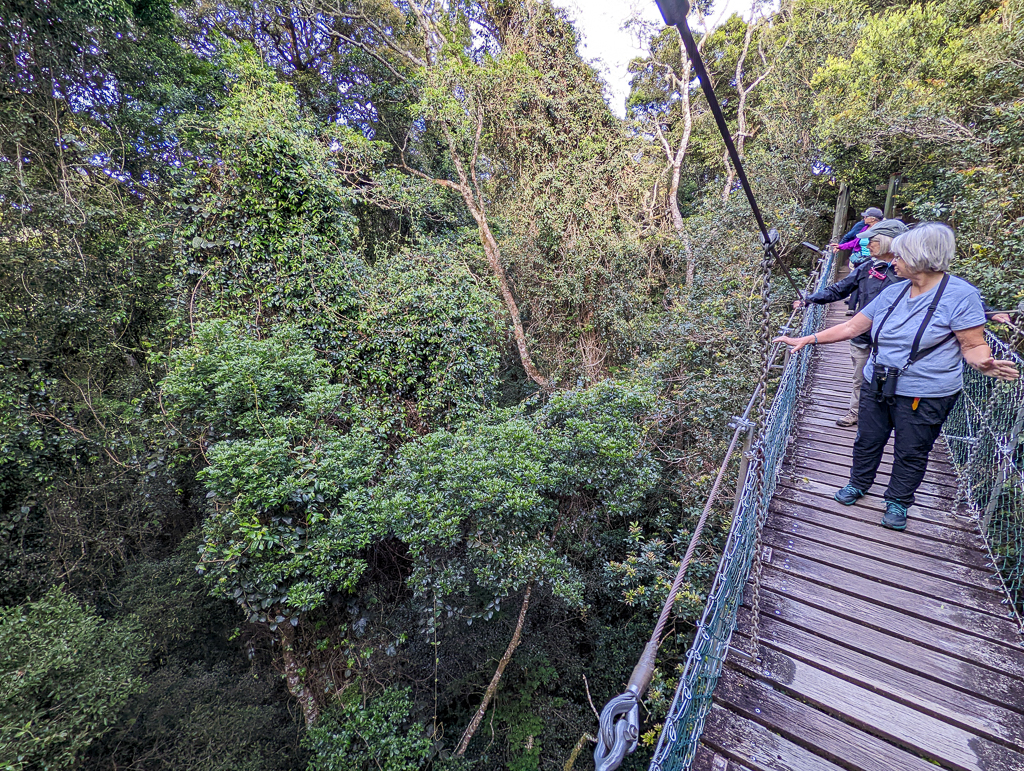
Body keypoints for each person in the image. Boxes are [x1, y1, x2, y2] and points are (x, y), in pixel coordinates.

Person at [776, 222, 1018, 532]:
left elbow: (973, 345)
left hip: (926, 390)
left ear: (919, 258)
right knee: (868, 438)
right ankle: (858, 484)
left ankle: (898, 502)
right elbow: (853, 328)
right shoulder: (894, 290)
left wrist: (984, 364)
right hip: (877, 378)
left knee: (911, 448)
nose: (893, 262)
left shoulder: (961, 296)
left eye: (899, 257)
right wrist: (807, 340)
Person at [794, 219, 908, 426]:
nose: (867, 245)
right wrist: (809, 300)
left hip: (894, 341)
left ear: (886, 242)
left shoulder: (909, 275)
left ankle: (890, 417)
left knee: (895, 380)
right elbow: (840, 289)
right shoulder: (867, 268)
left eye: (872, 241)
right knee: (860, 378)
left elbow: (937, 297)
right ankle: (856, 412)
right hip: (863, 336)